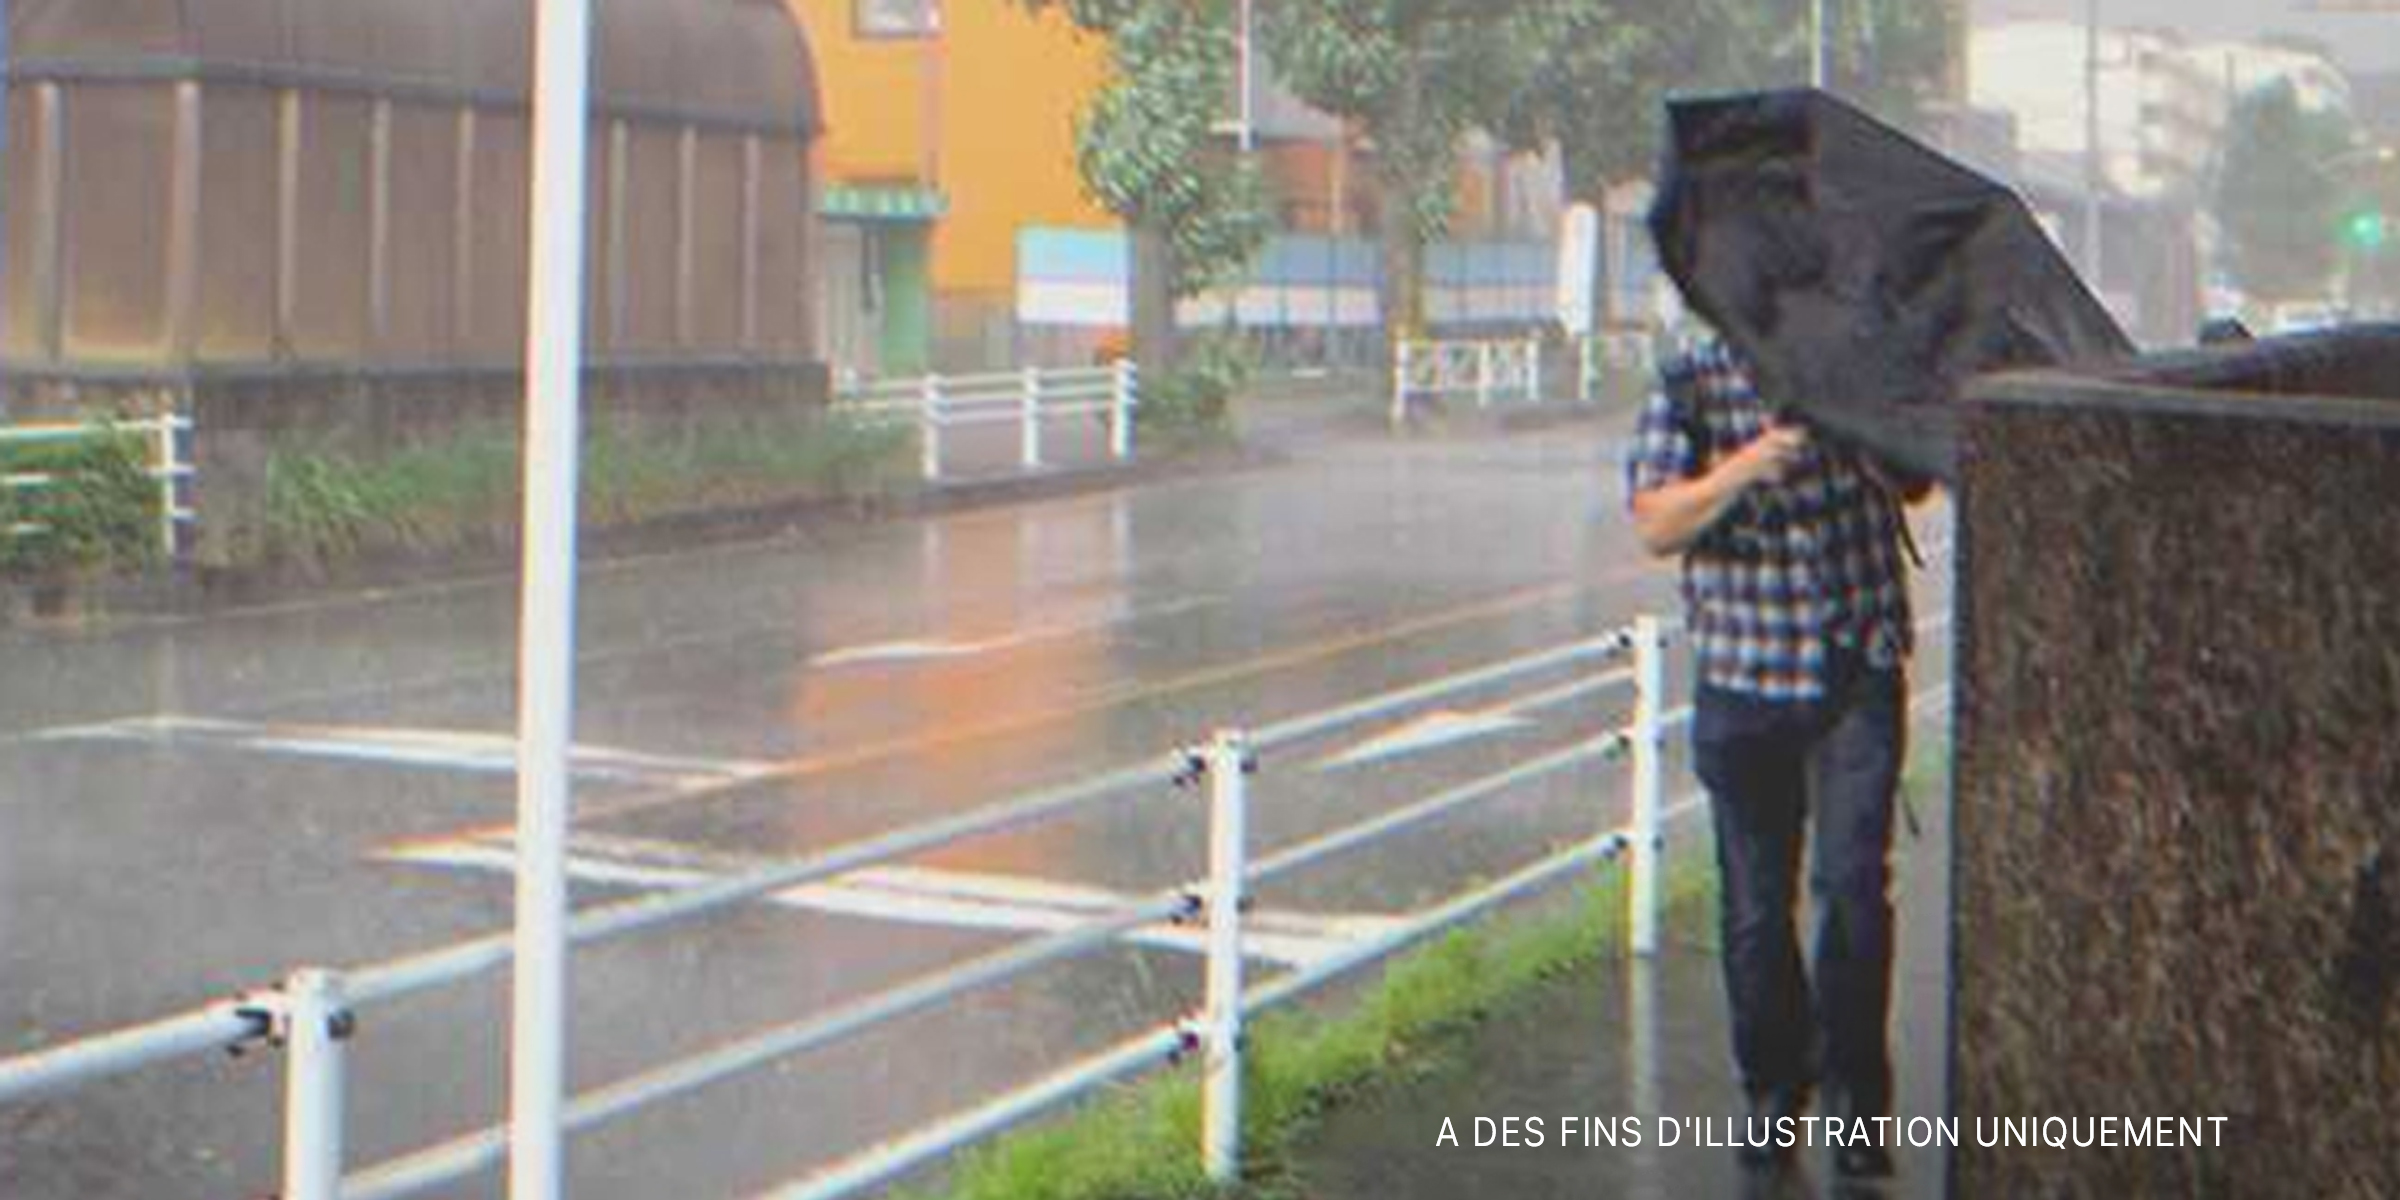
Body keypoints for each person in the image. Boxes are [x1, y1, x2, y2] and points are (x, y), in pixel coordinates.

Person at [1623, 333, 1917, 1180]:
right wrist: (1747, 464)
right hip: (1743, 676)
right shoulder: (1690, 379)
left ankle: (1859, 1098)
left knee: (1856, 889)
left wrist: (1867, 429)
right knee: (1756, 908)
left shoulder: (1858, 362)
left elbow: (1918, 479)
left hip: (1854, 666)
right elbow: (1655, 524)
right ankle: (1772, 1090)